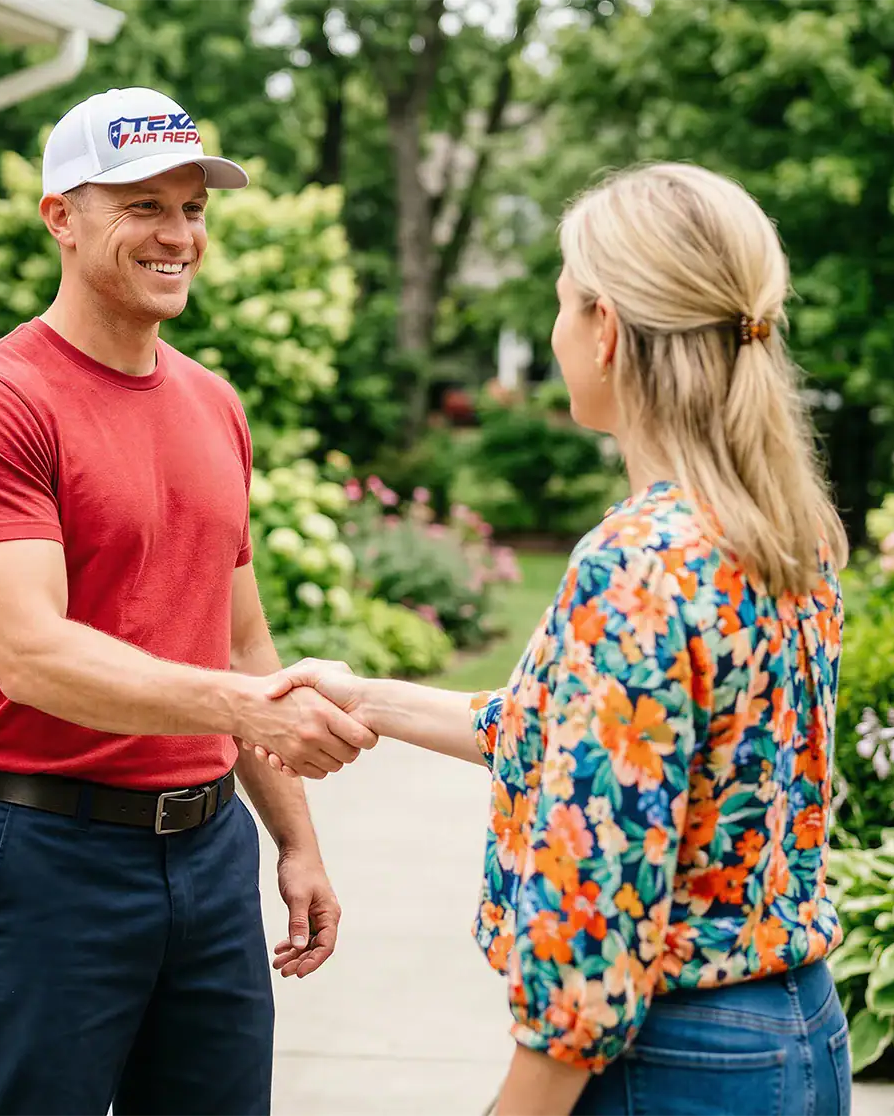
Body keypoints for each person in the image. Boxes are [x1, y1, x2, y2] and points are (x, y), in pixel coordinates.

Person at [259, 162, 853, 1116]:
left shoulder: (634, 564)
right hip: (794, 1030)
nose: (554, 332)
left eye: (562, 304)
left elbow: (596, 922)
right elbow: (566, 739)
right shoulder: (785, 531)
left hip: (672, 1062)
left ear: (607, 330)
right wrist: (363, 697)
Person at [0, 86, 377, 1116]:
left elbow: (243, 637)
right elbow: (33, 656)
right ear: (60, 219)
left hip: (211, 858)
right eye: (143, 207)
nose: (177, 236)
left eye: (192, 209)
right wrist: (243, 711)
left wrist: (295, 839)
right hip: (49, 863)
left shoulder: (213, 403)